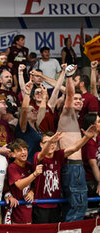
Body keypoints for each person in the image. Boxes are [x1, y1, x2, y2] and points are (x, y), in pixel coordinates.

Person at [33, 127, 96, 224]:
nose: (51, 145)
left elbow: (74, 148)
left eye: (54, 143)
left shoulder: (58, 155)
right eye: (47, 142)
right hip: (41, 206)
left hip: (56, 204)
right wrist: (50, 141)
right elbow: (43, 153)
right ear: (41, 145)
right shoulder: (38, 156)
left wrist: (86, 138)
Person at [57, 64, 96, 222]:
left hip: (73, 166)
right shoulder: (67, 114)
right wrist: (68, 76)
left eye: (81, 99)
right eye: (77, 99)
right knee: (79, 206)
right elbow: (70, 95)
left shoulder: (75, 119)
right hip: (72, 166)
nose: (79, 101)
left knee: (72, 206)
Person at [8, 139, 43, 224]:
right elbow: (19, 184)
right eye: (19, 150)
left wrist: (32, 191)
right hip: (17, 216)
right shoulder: (12, 167)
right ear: (13, 154)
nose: (23, 152)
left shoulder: (29, 165)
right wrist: (34, 174)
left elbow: (34, 184)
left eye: (25, 149)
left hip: (30, 213)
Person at [81, 113, 100, 198]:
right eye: (99, 122)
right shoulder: (88, 143)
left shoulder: (98, 137)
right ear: (92, 126)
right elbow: (93, 164)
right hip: (90, 181)